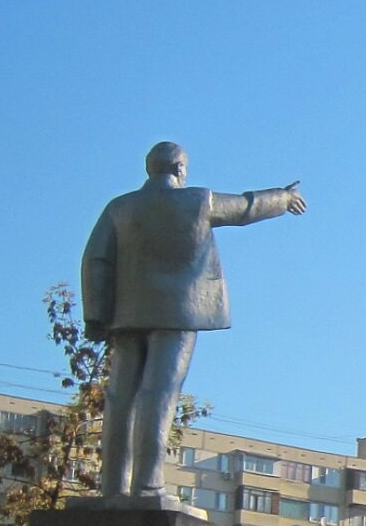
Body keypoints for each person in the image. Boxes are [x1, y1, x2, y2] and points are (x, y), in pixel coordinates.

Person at [80, 142, 305, 502]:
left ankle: (112, 487)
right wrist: (283, 197)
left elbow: (95, 260)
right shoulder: (197, 201)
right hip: (180, 312)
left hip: (124, 317)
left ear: (149, 169)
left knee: (120, 398)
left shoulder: (119, 208)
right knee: (159, 393)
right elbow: (246, 207)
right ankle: (147, 485)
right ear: (180, 169)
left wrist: (95, 314)